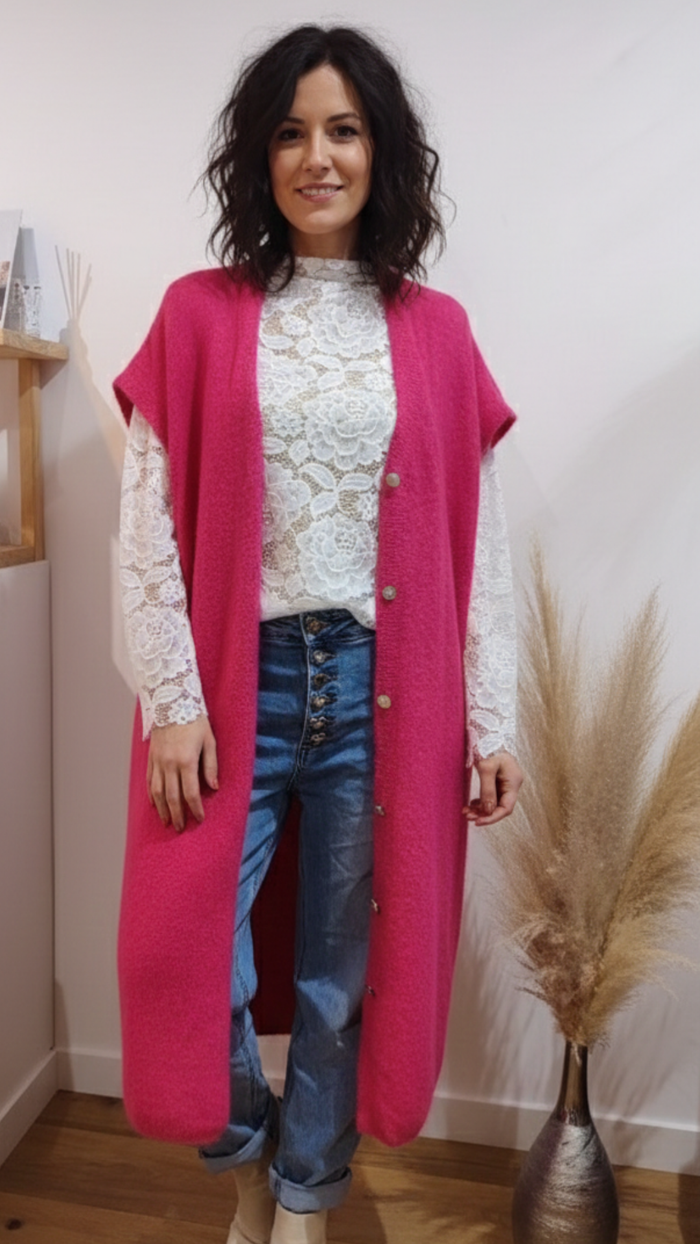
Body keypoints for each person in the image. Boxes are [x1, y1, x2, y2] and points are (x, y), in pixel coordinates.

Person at [115, 23, 523, 1244]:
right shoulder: (199, 313)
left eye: (343, 129)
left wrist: (490, 715)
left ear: (380, 150)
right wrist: (172, 699)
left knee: (343, 977)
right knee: (187, 957)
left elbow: (476, 540)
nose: (317, 156)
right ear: (260, 155)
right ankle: (247, 1155)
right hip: (235, 684)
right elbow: (145, 518)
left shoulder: (437, 330)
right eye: (290, 132)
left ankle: (303, 1200)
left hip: (380, 689)